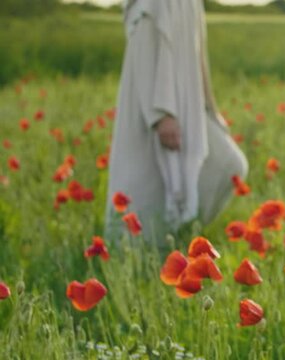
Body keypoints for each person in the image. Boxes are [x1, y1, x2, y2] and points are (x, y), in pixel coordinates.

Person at [106, 0, 248, 240]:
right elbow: (146, 50)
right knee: (145, 189)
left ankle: (182, 233)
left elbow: (196, 54)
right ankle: (142, 255)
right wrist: (161, 115)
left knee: (230, 164)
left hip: (187, 105)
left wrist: (210, 108)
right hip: (157, 106)